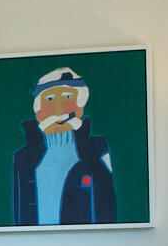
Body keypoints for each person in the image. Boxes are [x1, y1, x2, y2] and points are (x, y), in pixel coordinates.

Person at [9, 66, 117, 226]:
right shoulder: (22, 158)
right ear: (38, 112)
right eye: (50, 99)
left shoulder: (98, 150)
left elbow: (107, 211)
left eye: (67, 97)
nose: (58, 109)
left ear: (79, 108)